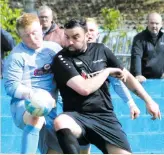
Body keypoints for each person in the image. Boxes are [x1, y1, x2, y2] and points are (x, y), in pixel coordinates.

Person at [51, 19, 161, 154]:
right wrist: (107, 71)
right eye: (67, 37)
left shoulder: (101, 50)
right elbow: (84, 89)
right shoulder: (61, 59)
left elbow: (127, 77)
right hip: (77, 117)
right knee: (61, 122)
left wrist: (149, 101)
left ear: (86, 36)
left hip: (104, 117)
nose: (70, 42)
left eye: (76, 37)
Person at [3, 13, 63, 154]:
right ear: (20, 37)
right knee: (36, 117)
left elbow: (66, 76)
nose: (32, 38)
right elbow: (10, 86)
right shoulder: (16, 56)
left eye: (35, 33)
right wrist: (33, 95)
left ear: (41, 28)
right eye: (26, 36)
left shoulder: (54, 49)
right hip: (24, 105)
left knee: (55, 151)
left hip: (51, 108)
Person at [86, 17, 140, 119]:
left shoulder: (104, 53)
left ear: (97, 34)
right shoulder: (71, 55)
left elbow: (117, 81)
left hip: (101, 109)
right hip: (79, 111)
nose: (89, 33)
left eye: (92, 30)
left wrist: (131, 104)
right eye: (86, 30)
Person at [130, 12, 164, 82]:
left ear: (161, 24)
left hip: (159, 80)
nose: (154, 26)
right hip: (142, 80)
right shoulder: (139, 38)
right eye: (152, 23)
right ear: (147, 23)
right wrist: (138, 74)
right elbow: (136, 56)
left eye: (157, 23)